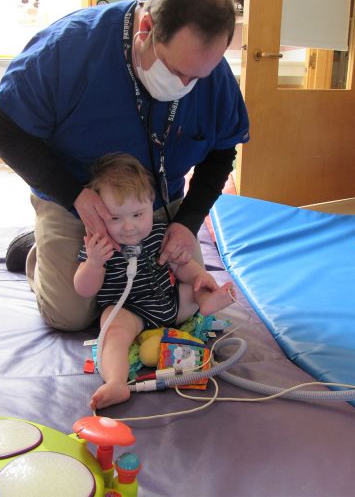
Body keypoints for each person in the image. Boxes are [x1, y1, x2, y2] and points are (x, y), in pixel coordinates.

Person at [0, 0, 250, 333]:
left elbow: (221, 155)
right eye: (177, 71)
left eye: (198, 77)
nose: (186, 87)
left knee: (186, 301)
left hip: (157, 199)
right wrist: (73, 196)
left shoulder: (212, 74)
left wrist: (187, 224)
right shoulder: (70, 49)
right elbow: (2, 129)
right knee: (70, 316)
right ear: (146, 28)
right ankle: (39, 248)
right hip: (75, 195)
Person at [74, 153, 236, 410]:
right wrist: (93, 263)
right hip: (129, 311)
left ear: (152, 206)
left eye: (138, 215)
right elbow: (84, 289)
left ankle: (207, 301)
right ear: (99, 215)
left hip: (170, 304)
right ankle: (116, 381)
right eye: (115, 218)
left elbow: (181, 266)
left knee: (191, 286)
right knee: (113, 330)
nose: (129, 227)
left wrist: (199, 277)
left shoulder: (160, 233)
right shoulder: (99, 244)